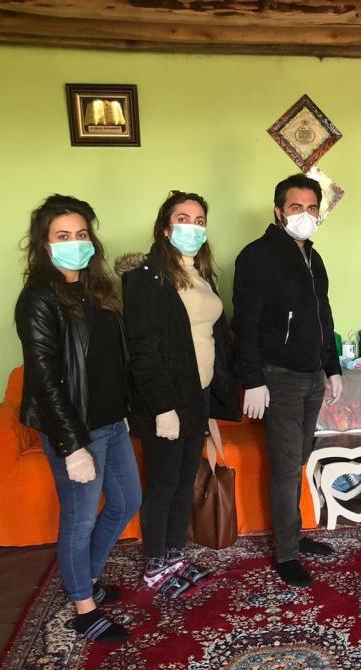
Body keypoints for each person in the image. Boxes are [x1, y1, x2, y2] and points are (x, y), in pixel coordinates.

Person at [15, 194, 141, 645]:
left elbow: (112, 361)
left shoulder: (96, 290)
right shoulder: (38, 299)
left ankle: (86, 577)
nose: (75, 243)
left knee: (127, 502)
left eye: (81, 234)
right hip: (76, 431)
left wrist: (126, 412)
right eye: (63, 236)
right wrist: (72, 447)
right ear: (44, 244)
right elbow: (45, 381)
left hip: (112, 422)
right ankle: (84, 608)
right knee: (80, 519)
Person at [120, 190, 239, 597]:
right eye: (183, 219)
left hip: (197, 395)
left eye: (200, 220)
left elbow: (210, 339)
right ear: (166, 228)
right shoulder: (146, 278)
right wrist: (162, 407)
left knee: (184, 481)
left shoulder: (202, 275)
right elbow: (141, 348)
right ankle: (154, 564)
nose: (193, 227)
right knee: (163, 485)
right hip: (165, 401)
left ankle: (174, 556)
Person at [231, 173, 343, 587]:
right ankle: (286, 554)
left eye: (312, 208)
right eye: (296, 207)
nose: (305, 215)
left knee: (297, 461)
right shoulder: (257, 256)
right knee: (284, 467)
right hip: (278, 377)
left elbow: (323, 315)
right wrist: (252, 379)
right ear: (279, 211)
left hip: (312, 375)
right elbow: (246, 322)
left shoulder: (313, 257)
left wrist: (332, 366)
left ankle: (293, 535)